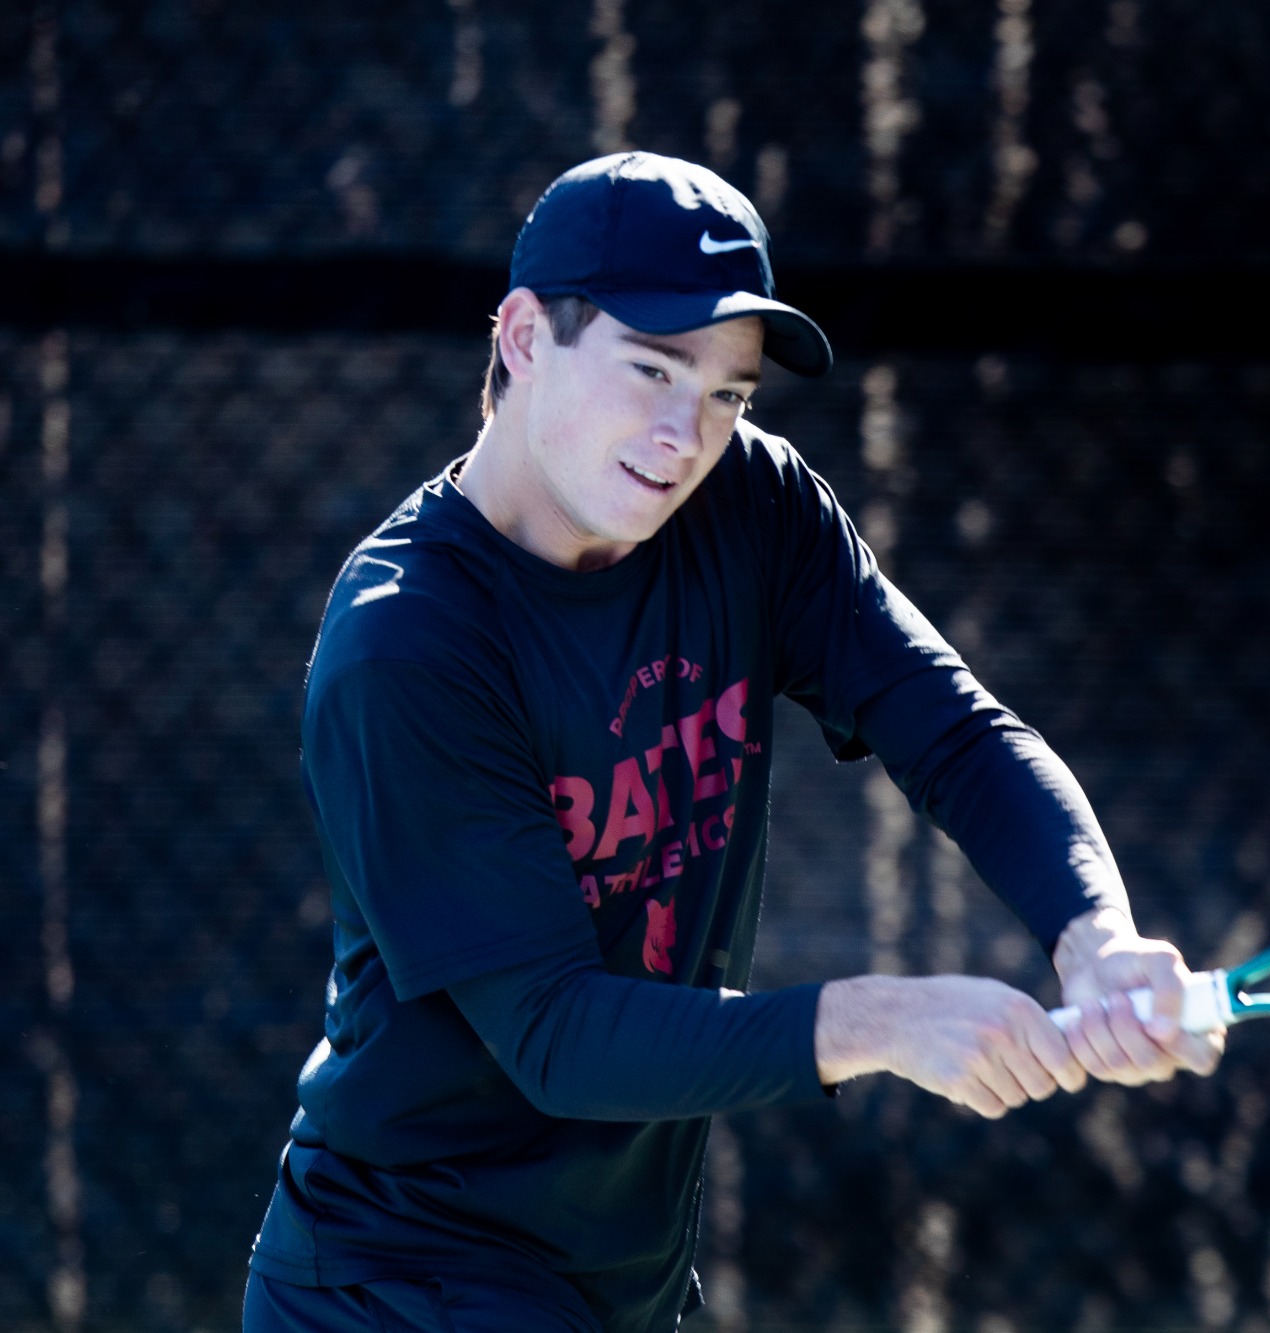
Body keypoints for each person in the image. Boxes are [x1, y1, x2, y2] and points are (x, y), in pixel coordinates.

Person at [242, 152, 1220, 1333]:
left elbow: (951, 729)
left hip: (619, 1279)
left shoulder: (749, 505)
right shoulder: (406, 646)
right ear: (521, 339)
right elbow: (555, 1034)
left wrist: (1093, 935)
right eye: (651, 368)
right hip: (399, 1285)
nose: (683, 432)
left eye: (726, 394)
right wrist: (881, 1023)